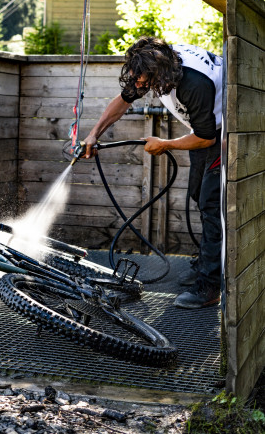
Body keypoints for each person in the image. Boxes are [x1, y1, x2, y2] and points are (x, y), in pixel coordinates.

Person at [83, 36, 223, 309]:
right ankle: (208, 263)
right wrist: (93, 133)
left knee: (210, 201)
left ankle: (210, 286)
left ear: (159, 73)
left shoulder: (193, 83)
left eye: (141, 80)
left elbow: (206, 138)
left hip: (223, 133)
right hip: (203, 131)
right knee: (198, 193)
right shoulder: (153, 66)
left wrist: (165, 144)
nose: (137, 86)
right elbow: (123, 101)